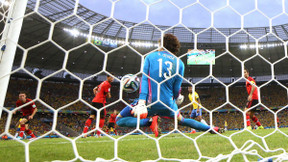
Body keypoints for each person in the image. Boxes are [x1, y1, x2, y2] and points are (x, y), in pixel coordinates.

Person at [117, 34, 224, 137]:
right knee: (182, 120)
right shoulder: (179, 63)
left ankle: (149, 121)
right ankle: (211, 128)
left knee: (119, 119)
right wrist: (177, 98)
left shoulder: (150, 57)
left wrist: (141, 103)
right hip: (168, 104)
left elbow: (145, 80)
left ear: (161, 45)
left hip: (150, 103)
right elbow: (176, 89)